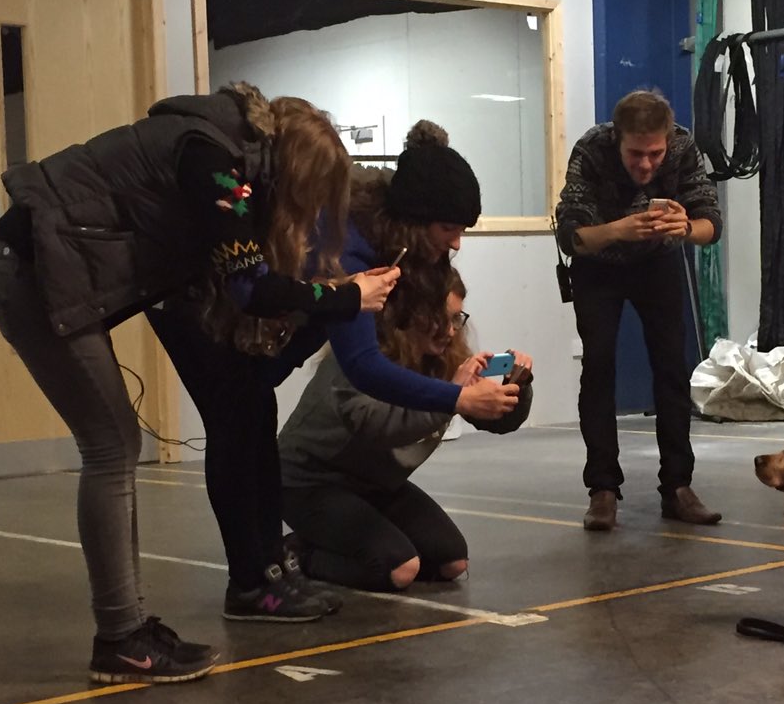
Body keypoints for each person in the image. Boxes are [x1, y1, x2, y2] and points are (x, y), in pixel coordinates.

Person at [0, 82, 399, 684]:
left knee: (119, 442)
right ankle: (122, 638)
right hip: (33, 268)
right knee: (112, 446)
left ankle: (130, 631)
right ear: (293, 172)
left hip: (41, 265)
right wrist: (349, 296)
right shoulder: (213, 162)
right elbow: (251, 287)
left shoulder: (221, 148)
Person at [145, 118, 521, 622]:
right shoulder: (347, 240)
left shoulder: (397, 246)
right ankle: (254, 583)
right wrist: (454, 399)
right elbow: (361, 366)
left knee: (252, 415)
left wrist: (505, 389)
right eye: (450, 230)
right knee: (240, 423)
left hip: (264, 330)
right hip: (198, 304)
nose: (456, 244)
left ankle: (266, 573)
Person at [277, 268, 533, 591]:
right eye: (442, 318)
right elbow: (378, 427)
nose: (451, 331)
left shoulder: (443, 356)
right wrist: (453, 397)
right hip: (309, 482)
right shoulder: (360, 357)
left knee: (452, 561)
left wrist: (517, 388)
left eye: (457, 318)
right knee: (400, 568)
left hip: (374, 482)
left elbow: (497, 422)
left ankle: (342, 538)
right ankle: (299, 553)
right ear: (412, 313)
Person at [555, 89, 723, 531]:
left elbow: (712, 222)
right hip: (598, 266)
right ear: (617, 139)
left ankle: (678, 487)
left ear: (668, 141)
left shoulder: (683, 146)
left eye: (655, 154)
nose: (646, 165)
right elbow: (571, 236)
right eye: (635, 154)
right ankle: (603, 489)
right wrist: (619, 229)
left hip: (658, 262)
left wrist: (686, 227)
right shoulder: (591, 149)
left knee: (672, 370)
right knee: (598, 368)